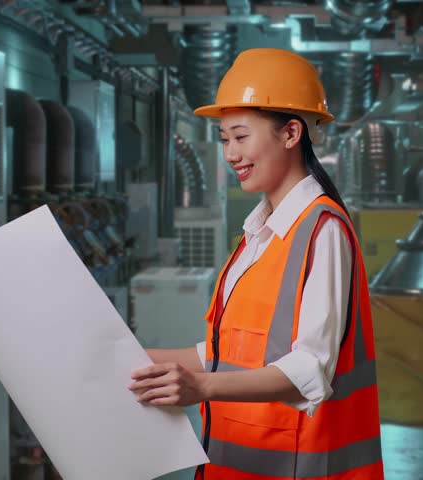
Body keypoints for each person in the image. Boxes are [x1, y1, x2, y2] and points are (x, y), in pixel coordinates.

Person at [129, 48, 384, 480]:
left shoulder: (322, 231)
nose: (231, 153)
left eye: (241, 136)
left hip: (296, 467)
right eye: (224, 139)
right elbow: (228, 353)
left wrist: (201, 387)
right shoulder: (258, 233)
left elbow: (310, 368)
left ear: (290, 133)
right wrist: (128, 358)